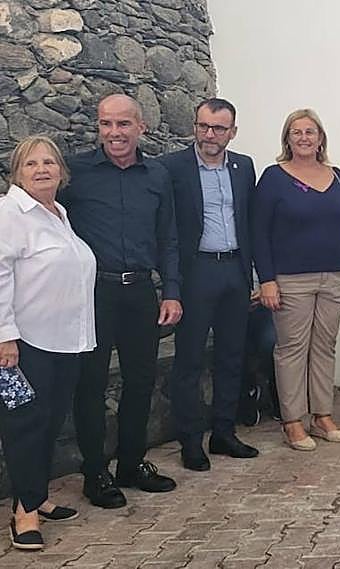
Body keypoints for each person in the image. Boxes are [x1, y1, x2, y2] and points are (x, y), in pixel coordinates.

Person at [61, 94, 181, 508]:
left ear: (140, 127)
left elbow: (168, 238)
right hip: (93, 294)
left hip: (141, 292)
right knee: (91, 384)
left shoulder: (157, 175)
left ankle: (131, 463)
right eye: (106, 124)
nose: (114, 133)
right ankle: (95, 472)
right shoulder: (75, 173)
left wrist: (172, 292)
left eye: (123, 124)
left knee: (141, 381)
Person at [0, 136, 95, 550]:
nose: (41, 169)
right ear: (17, 174)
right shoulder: (10, 214)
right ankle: (24, 514)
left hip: (66, 341)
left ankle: (36, 495)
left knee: (51, 423)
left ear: (61, 171)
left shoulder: (58, 214)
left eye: (49, 162)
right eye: (31, 164)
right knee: (25, 426)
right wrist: (4, 336)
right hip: (25, 344)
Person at [253, 108, 340, 451]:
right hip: (291, 279)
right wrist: (267, 280)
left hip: (335, 276)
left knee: (324, 347)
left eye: (309, 132)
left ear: (320, 138)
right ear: (287, 138)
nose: (303, 137)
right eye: (296, 132)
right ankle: (293, 421)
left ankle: (322, 416)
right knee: (291, 350)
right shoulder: (274, 177)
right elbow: (258, 232)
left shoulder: (337, 176)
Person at [162, 98, 260, 472]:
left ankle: (224, 432)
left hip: (235, 269)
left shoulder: (243, 166)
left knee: (232, 355)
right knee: (189, 359)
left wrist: (254, 275)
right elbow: (167, 228)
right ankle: (190, 441)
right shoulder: (173, 167)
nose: (209, 134)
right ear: (195, 127)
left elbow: (249, 221)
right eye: (203, 126)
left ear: (232, 132)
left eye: (218, 128)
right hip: (197, 272)